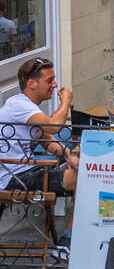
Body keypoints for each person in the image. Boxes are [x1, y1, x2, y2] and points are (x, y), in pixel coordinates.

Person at [0, 57, 79, 247]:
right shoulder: (19, 105)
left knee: (82, 171)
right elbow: (52, 127)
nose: (54, 85)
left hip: (23, 172)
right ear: (31, 84)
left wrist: (70, 155)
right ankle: (67, 243)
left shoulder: (27, 107)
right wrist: (66, 101)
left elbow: (47, 141)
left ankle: (69, 238)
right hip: (14, 177)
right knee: (84, 180)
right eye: (49, 80)